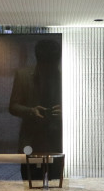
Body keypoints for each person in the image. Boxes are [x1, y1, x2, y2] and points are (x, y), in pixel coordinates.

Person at [9, 39, 63, 180]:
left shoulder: (64, 76)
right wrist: (31, 111)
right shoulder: (23, 75)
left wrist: (65, 112)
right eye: (46, 64)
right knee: (30, 184)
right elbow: (13, 106)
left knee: (56, 185)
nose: (49, 68)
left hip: (56, 141)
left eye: (52, 64)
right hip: (32, 140)